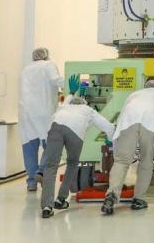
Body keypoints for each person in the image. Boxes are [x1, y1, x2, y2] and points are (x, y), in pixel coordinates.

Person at [102, 79, 154, 215]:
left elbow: (123, 114)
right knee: (146, 162)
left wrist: (114, 136)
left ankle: (111, 195)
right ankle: (139, 199)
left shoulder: (135, 94)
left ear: (145, 87)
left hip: (128, 122)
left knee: (121, 161)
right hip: (150, 123)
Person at [40, 74, 115, 218]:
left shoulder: (64, 107)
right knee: (72, 163)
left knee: (50, 167)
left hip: (55, 129)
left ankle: (47, 207)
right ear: (84, 103)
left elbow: (66, 102)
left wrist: (72, 92)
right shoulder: (88, 110)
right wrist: (111, 141)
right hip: (75, 133)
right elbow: (108, 127)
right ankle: (61, 198)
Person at [18, 47, 64, 192]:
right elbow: (57, 80)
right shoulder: (48, 65)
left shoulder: (26, 69)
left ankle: (31, 183)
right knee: (50, 144)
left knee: (29, 148)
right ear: (46, 56)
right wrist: (74, 82)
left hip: (26, 113)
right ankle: (41, 170)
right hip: (44, 112)